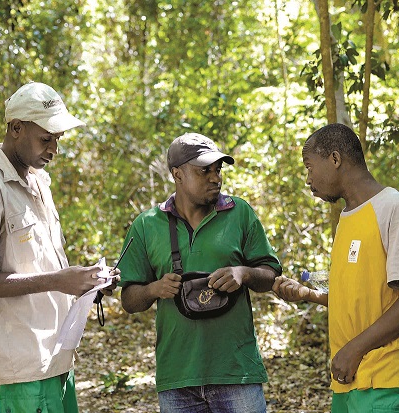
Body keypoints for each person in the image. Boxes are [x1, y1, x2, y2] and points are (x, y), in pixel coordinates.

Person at [0, 82, 119, 413]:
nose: (54, 149)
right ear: (16, 128)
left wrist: (87, 284)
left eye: (57, 139)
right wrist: (58, 281)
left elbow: (43, 266)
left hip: (58, 357)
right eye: (46, 139)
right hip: (24, 368)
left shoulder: (38, 183)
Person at [117, 132, 282, 413]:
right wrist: (153, 289)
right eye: (204, 170)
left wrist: (243, 273)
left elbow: (271, 276)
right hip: (177, 378)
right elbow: (129, 300)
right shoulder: (147, 225)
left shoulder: (239, 213)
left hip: (236, 372)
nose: (215, 178)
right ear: (177, 174)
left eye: (218, 170)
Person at [273, 123, 399, 413]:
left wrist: (355, 348)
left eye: (310, 167)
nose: (308, 179)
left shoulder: (395, 209)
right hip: (348, 377)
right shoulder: (347, 217)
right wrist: (308, 294)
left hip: (381, 376)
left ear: (335, 159)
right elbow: (359, 298)